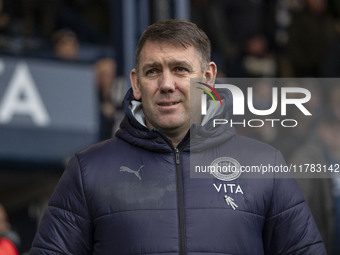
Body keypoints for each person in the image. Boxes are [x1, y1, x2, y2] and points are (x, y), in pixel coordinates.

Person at [30, 19, 326, 254]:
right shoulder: (87, 170)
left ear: (208, 78)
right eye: (153, 71)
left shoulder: (265, 166)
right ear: (136, 83)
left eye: (180, 69)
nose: (166, 84)